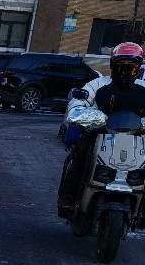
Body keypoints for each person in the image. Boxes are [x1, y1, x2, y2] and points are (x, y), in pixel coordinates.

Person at [57, 42, 145, 217]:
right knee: (82, 153)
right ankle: (68, 196)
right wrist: (83, 113)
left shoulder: (143, 87)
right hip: (99, 135)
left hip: (136, 139)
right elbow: (79, 101)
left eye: (132, 67)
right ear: (113, 65)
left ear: (138, 67)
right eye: (122, 66)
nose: (126, 71)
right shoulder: (98, 84)